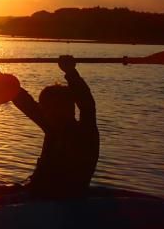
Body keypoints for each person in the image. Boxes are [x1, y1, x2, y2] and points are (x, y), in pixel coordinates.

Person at [10, 55, 99, 199]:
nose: (43, 112)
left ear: (62, 108)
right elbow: (28, 105)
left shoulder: (85, 133)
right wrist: (0, 78)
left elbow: (87, 105)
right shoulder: (52, 127)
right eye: (43, 108)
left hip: (61, 199)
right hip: (36, 192)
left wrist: (71, 72)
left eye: (46, 108)